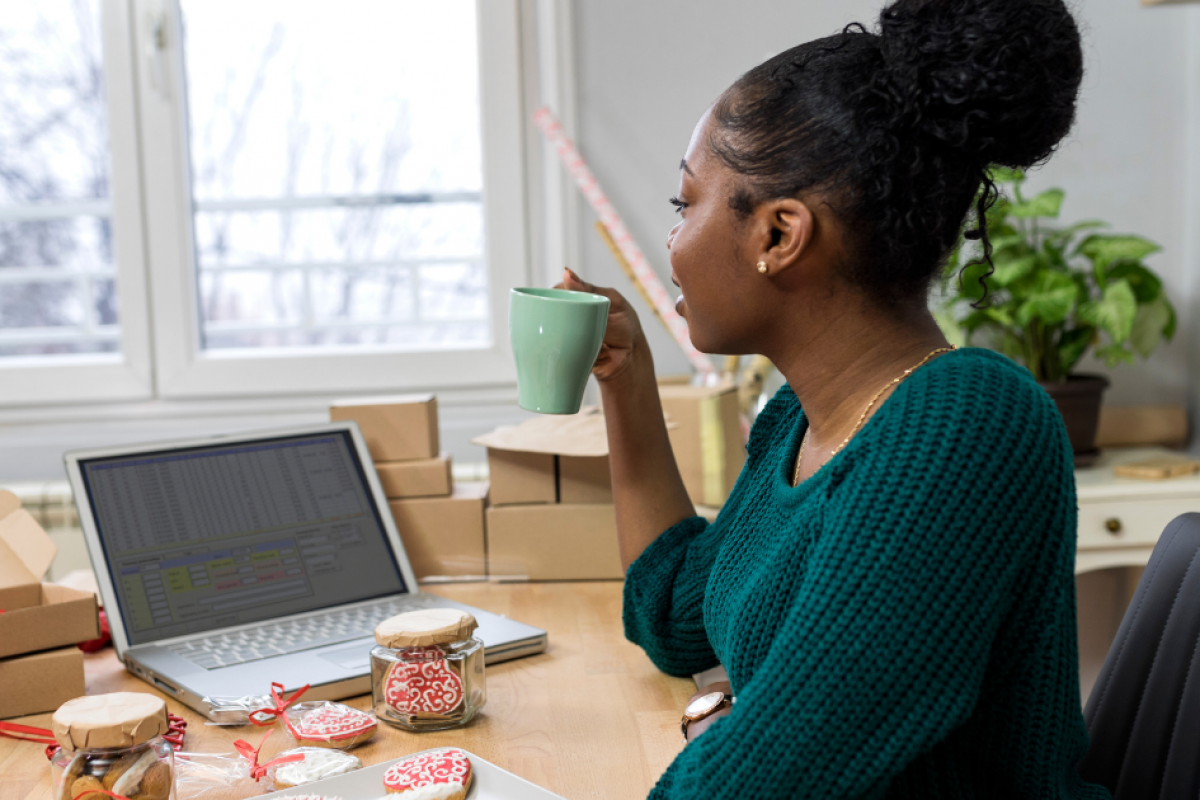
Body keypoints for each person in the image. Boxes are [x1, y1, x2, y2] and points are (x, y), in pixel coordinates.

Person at [558, 0, 1113, 797]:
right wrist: (626, 379)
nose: (672, 244)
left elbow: (778, 773)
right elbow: (674, 614)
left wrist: (743, 728)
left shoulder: (967, 426)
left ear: (780, 235)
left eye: (686, 205)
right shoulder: (799, 417)